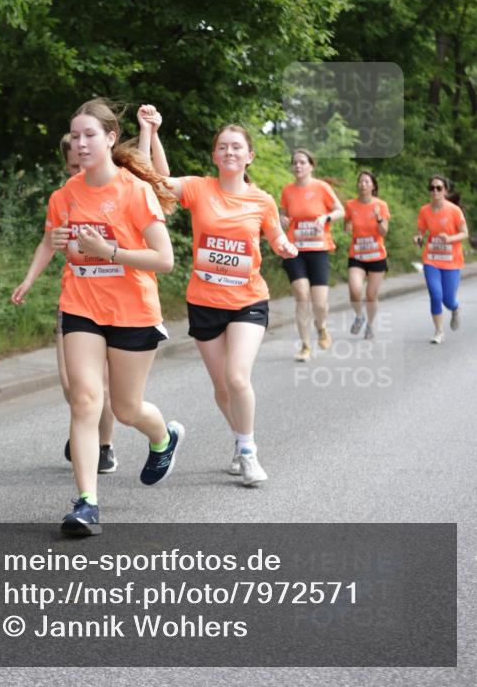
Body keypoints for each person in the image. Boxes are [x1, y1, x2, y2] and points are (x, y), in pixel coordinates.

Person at [12, 99, 183, 536]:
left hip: (132, 310)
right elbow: (65, 250)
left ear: (109, 139)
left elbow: (164, 259)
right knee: (85, 399)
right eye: (76, 136)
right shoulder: (63, 196)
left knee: (126, 408)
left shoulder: (135, 190)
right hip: (82, 306)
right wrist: (69, 247)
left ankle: (163, 437)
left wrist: (107, 250)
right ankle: (86, 503)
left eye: (90, 135)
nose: (81, 143)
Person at [141, 109, 298, 486]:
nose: (229, 152)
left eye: (237, 147)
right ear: (215, 156)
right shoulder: (199, 188)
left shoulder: (261, 201)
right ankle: (241, 436)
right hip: (205, 301)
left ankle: (248, 452)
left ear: (249, 157)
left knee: (237, 377)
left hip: (248, 300)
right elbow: (158, 181)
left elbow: (274, 235)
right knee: (222, 388)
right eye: (223, 147)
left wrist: (285, 245)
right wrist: (151, 131)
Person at [55, 134, 117, 474]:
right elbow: (52, 239)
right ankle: (85, 421)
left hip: (113, 303)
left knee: (103, 386)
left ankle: (103, 445)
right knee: (71, 383)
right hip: (74, 298)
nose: (81, 168)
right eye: (74, 164)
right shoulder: (66, 196)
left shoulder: (115, 190)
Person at [279, 149, 344, 361]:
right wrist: (282, 220)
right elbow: (282, 214)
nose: (298, 166)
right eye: (295, 163)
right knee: (301, 296)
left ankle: (321, 326)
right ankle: (305, 346)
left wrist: (326, 218)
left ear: (311, 166)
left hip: (318, 249)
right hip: (294, 249)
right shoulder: (287, 191)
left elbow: (340, 211)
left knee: (320, 302)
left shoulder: (321, 187)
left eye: (302, 162)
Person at [414, 174, 469, 344]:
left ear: (445, 191)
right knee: (435, 294)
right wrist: (418, 238)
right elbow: (421, 231)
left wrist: (450, 239)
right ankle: (439, 332)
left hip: (452, 260)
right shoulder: (424, 210)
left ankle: (455, 308)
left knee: (448, 299)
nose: (435, 191)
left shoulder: (454, 210)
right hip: (431, 259)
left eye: (439, 188)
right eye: (432, 188)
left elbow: (465, 233)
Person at [344, 171, 390, 340]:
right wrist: (347, 227)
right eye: (360, 181)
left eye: (366, 181)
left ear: (373, 186)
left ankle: (370, 325)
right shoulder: (350, 205)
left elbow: (384, 232)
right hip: (357, 255)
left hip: (377, 256)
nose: (363, 184)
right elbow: (347, 223)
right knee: (355, 289)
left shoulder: (381, 205)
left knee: (371, 295)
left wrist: (379, 218)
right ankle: (359, 315)